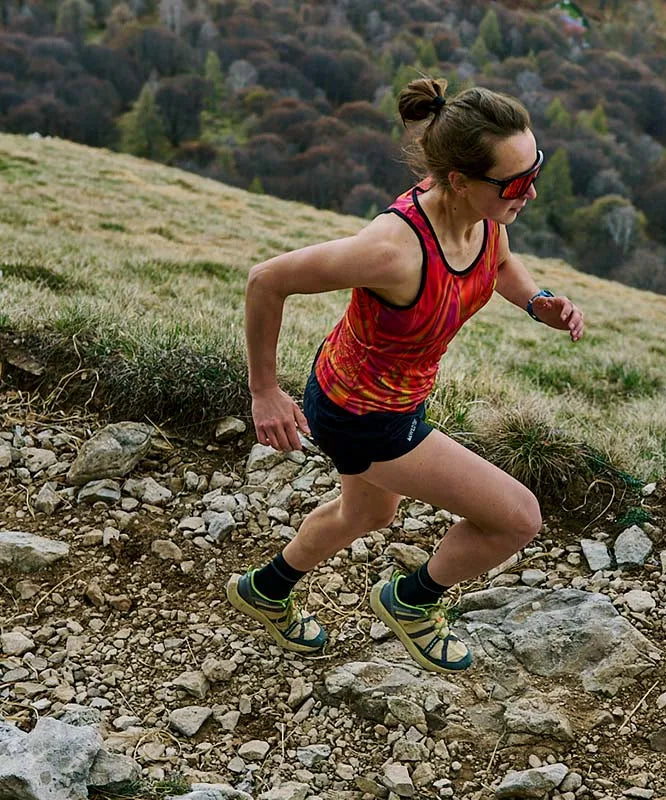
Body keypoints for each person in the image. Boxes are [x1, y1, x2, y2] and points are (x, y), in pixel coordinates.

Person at [227, 78, 585, 675]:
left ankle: (266, 588)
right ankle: (412, 602)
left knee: (367, 514)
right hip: (364, 417)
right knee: (517, 517)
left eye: (535, 170)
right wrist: (264, 389)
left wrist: (535, 300)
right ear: (459, 181)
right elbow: (267, 279)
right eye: (517, 183)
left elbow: (495, 259)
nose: (531, 192)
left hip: (384, 396)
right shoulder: (392, 250)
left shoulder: (482, 213)